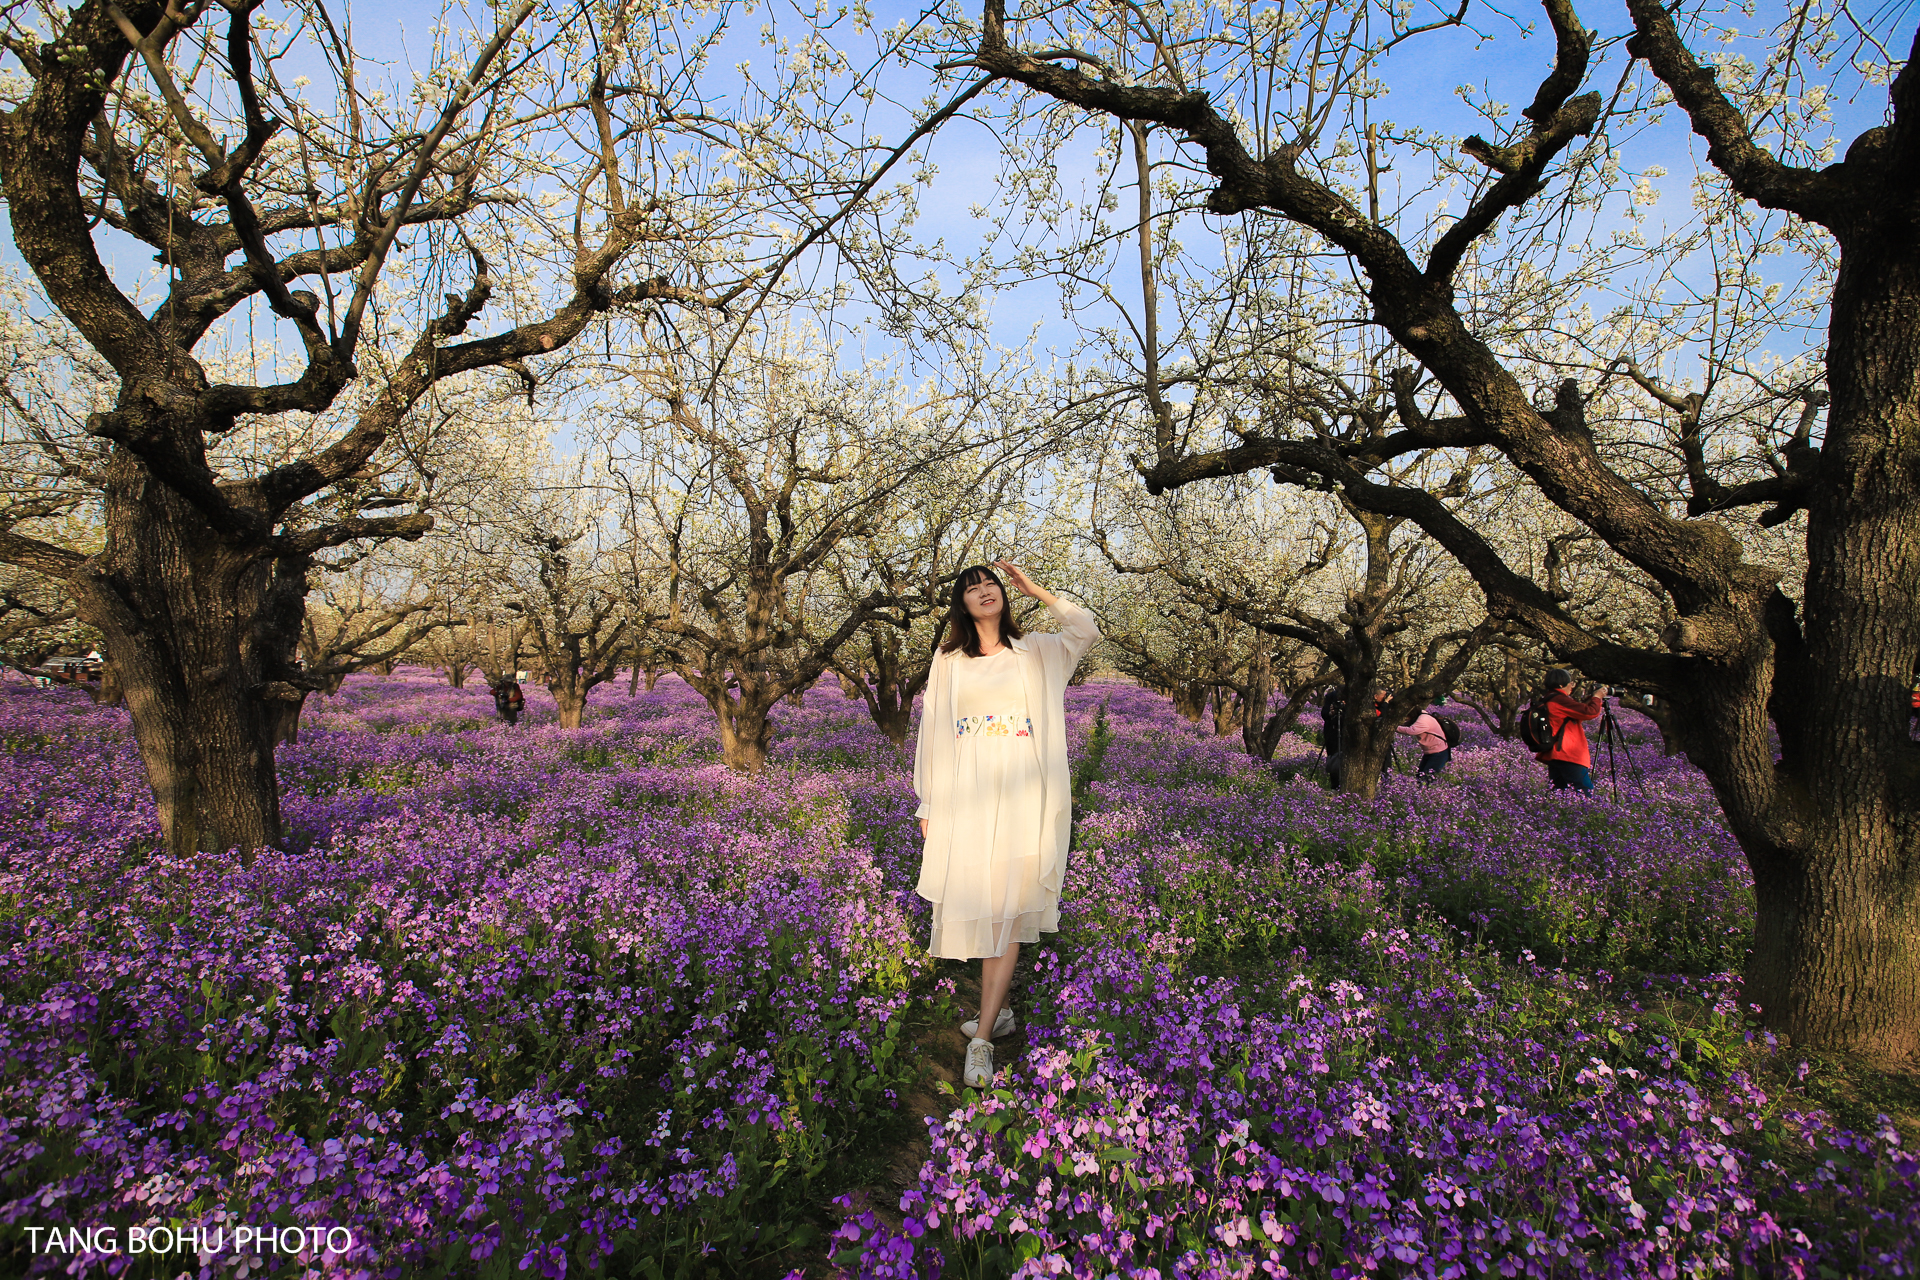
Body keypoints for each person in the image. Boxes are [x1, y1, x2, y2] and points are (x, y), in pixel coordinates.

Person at [915, 561, 1100, 1089]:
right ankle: (998, 1013)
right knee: (985, 902)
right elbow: (932, 732)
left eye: (990, 583)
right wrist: (928, 803)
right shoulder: (949, 660)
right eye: (972, 588)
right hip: (969, 796)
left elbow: (1084, 629)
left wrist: (1037, 589)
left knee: (1009, 908)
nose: (983, 591)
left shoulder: (1036, 652)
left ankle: (982, 1039)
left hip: (1023, 794)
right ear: (962, 605)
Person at [1536, 668, 1607, 792]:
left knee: (1559, 792)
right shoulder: (1560, 700)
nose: (1572, 687)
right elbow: (1590, 712)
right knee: (1584, 791)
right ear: (1561, 684)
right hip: (1567, 753)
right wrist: (1597, 698)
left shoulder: (1548, 698)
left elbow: (1574, 712)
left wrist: (1590, 699)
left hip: (1554, 753)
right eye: (1571, 683)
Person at [1396, 703, 1452, 778]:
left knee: (1426, 777)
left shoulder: (1423, 719)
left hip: (1438, 752)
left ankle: (1425, 789)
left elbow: (1411, 730)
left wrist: (1393, 727)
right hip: (1432, 751)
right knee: (1421, 775)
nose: (1405, 718)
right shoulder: (1421, 716)